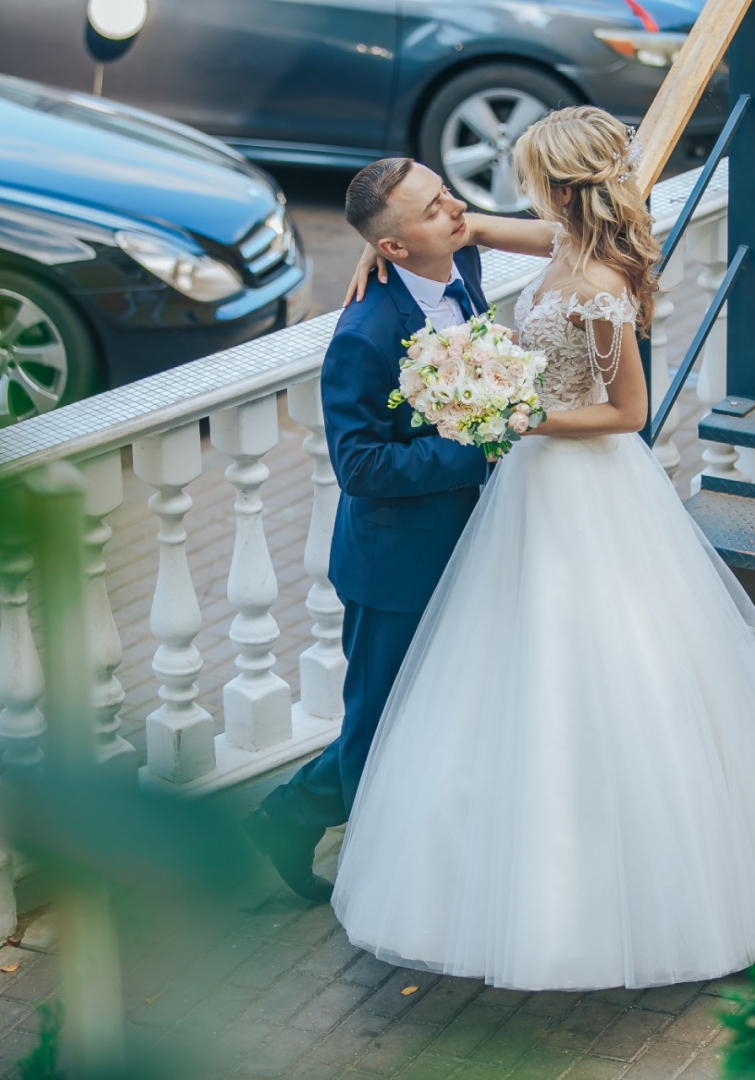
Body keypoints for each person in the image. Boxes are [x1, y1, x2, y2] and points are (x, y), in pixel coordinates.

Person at [330, 106, 755, 991]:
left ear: (560, 186)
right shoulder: (568, 239)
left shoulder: (595, 283)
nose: (481, 204)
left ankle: (604, 881)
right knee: (518, 664)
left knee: (604, 660)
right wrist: (382, 243)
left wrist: (521, 417)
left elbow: (629, 413)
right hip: (530, 486)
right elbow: (477, 229)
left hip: (580, 478)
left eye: (527, 179)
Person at [243, 158, 492, 901]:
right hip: (398, 568)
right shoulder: (364, 334)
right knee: (381, 727)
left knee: (451, 705)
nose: (456, 209)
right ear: (392, 249)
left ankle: (298, 818)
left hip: (476, 544)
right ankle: (363, 865)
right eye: (432, 207)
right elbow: (360, 466)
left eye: (446, 191)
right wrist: (476, 442)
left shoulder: (460, 255)